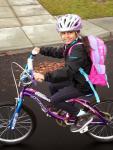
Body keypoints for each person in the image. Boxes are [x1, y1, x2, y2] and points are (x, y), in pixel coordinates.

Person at [32, 14, 93, 132]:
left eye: (69, 32)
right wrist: (41, 49)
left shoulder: (78, 49)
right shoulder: (72, 44)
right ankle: (67, 108)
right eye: (63, 33)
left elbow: (68, 71)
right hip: (76, 79)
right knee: (52, 85)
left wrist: (45, 76)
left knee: (54, 99)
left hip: (82, 84)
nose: (66, 36)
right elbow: (59, 52)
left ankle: (83, 116)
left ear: (77, 32)